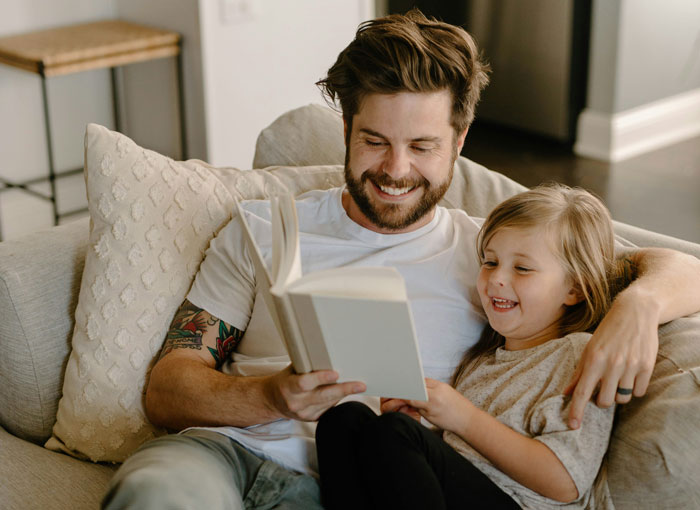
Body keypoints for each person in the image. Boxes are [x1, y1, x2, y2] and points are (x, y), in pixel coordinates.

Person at [102, 9, 700, 510]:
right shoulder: (262, 226)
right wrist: (270, 397)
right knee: (156, 496)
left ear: (458, 143)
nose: (394, 170)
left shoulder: (492, 255)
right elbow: (166, 388)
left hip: (357, 486)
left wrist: (640, 304)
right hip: (219, 457)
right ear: (346, 130)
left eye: (421, 146)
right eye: (374, 141)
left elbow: (677, 266)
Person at [316, 184, 624, 509]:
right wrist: (421, 433)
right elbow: (462, 460)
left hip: (519, 503)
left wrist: (459, 417)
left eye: (522, 268)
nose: (496, 279)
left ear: (574, 288)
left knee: (394, 432)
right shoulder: (484, 359)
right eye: (490, 262)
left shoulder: (581, 355)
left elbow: (565, 483)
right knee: (345, 420)